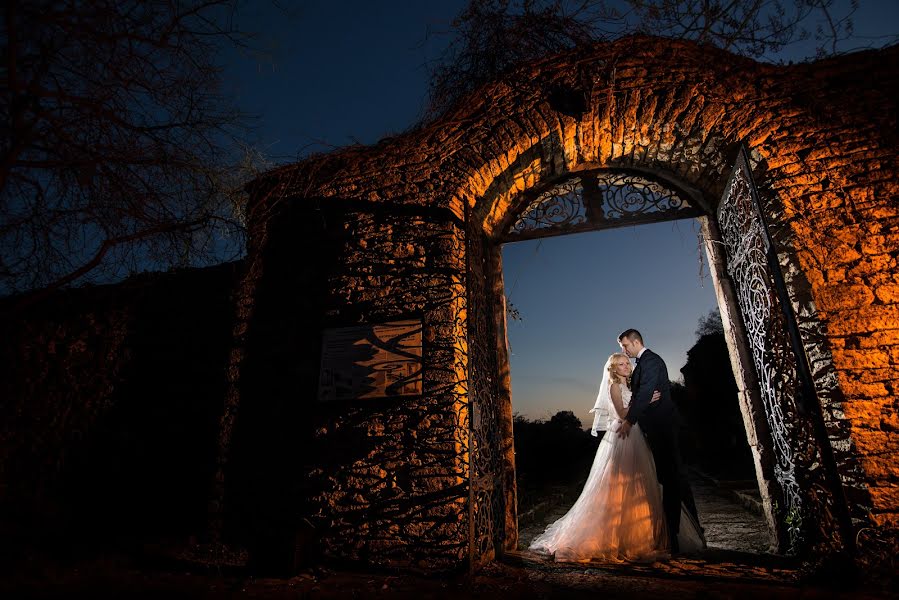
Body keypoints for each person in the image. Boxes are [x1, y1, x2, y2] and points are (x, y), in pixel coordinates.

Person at [528, 353, 669, 561]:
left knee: (637, 486)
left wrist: (645, 402)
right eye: (621, 364)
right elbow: (622, 414)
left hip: (635, 434)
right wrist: (645, 401)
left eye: (627, 363)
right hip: (622, 436)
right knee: (616, 487)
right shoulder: (614, 387)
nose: (626, 366)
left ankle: (635, 536)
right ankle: (612, 538)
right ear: (613, 369)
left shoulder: (630, 387)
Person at [617, 328, 704, 554]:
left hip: (663, 427)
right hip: (653, 428)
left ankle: (675, 534)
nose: (624, 351)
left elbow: (646, 391)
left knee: (673, 477)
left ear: (635, 342)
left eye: (625, 346)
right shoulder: (641, 364)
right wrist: (641, 399)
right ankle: (678, 531)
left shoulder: (651, 361)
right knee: (668, 477)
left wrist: (631, 418)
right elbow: (642, 394)